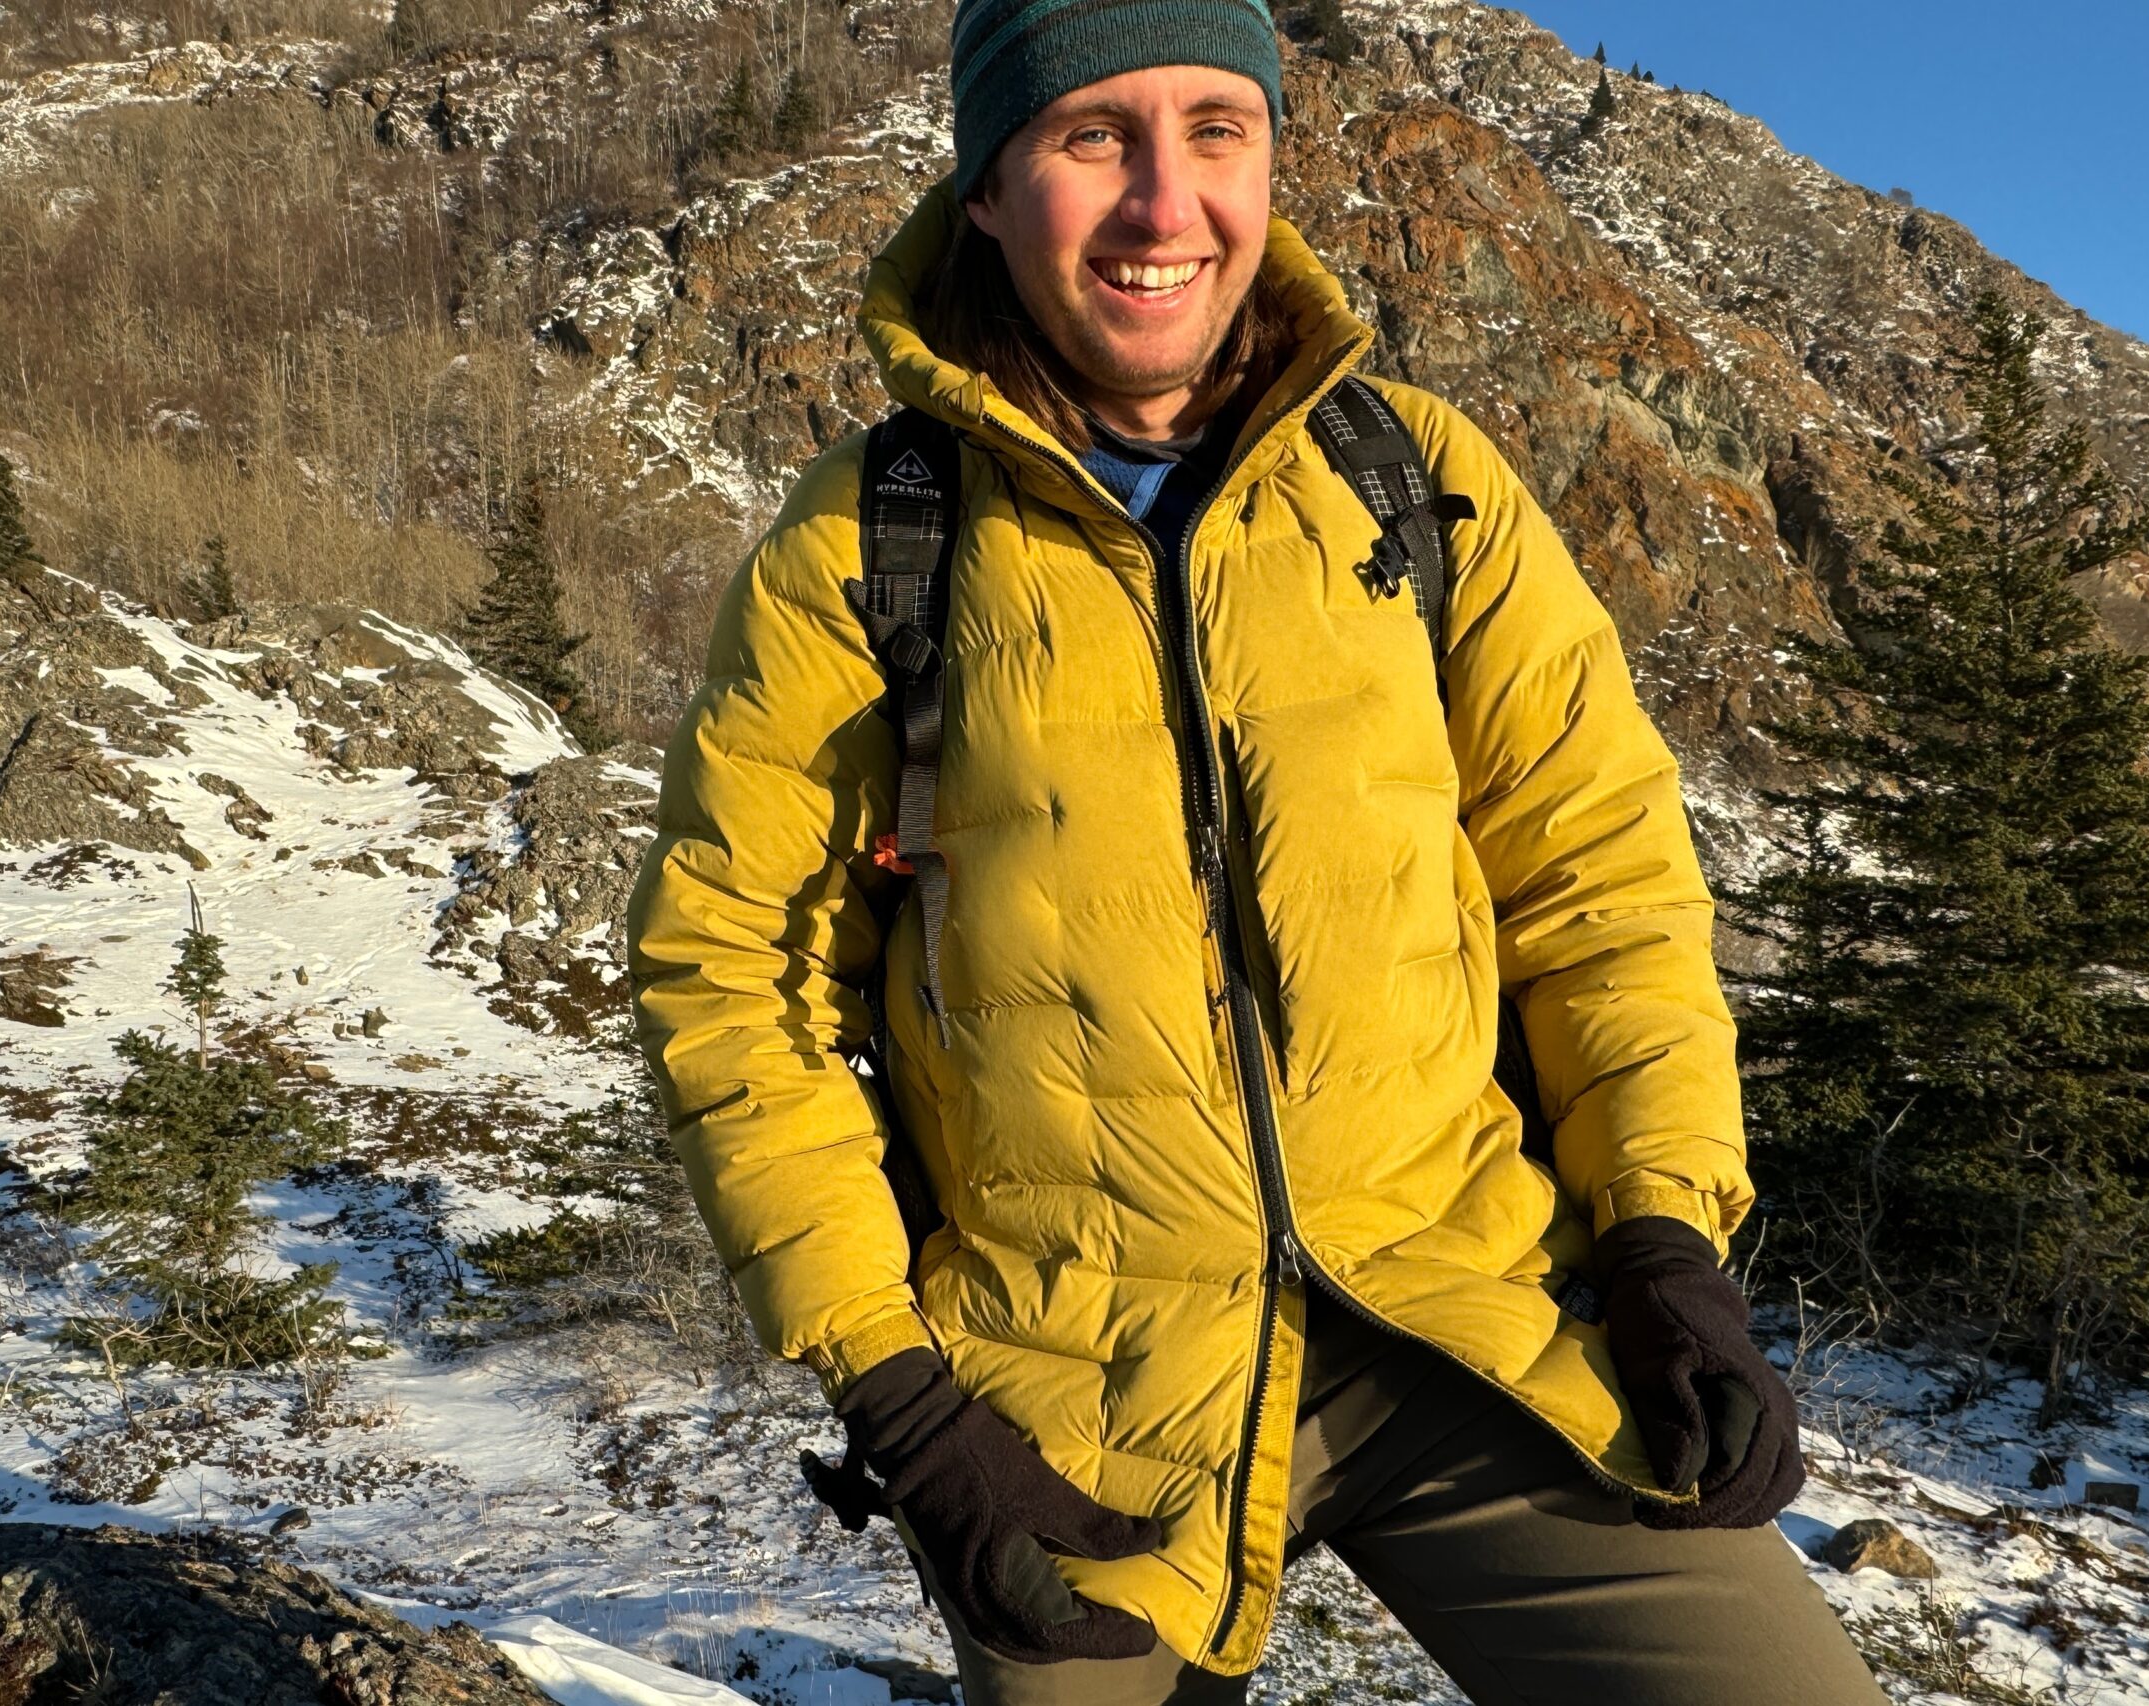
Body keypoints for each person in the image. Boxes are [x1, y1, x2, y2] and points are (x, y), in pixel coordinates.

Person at [623, 2, 1889, 1700]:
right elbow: (734, 989)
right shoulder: (870, 542)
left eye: (1216, 128)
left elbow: (1600, 886)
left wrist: (1663, 1238)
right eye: (1092, 137)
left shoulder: (1415, 484)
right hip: (1078, 1386)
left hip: (1459, 1305)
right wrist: (905, 1403)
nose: (1166, 204)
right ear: (987, 190)